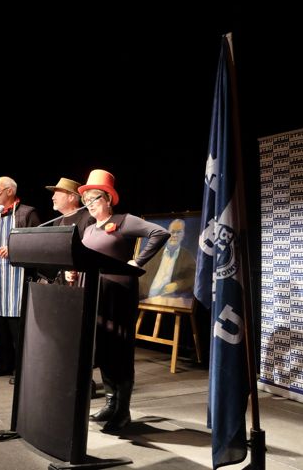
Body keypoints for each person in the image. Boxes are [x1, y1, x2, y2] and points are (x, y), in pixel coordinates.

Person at [78, 169, 169, 432]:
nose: (89, 204)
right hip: (96, 293)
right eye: (86, 200)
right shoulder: (90, 227)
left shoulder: (123, 220)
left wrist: (138, 261)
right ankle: (110, 402)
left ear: (107, 198)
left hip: (118, 293)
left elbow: (159, 233)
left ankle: (123, 410)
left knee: (119, 349)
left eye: (93, 198)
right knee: (104, 349)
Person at [0, 176, 41, 383]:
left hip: (18, 277)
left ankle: (22, 369)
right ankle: (4, 364)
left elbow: (37, 242)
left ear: (10, 191)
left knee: (17, 327)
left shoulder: (28, 213)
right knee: (0, 325)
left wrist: (15, 248)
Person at [44, 177, 95, 284]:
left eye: (57, 193)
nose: (53, 197)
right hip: (59, 282)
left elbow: (90, 253)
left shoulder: (88, 218)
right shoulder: (57, 222)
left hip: (79, 282)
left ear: (71, 197)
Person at [138, 218, 197, 299]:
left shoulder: (187, 257)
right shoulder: (153, 253)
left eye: (179, 232)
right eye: (172, 232)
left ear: (183, 235)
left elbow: (194, 278)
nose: (175, 235)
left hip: (169, 301)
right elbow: (141, 276)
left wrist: (177, 285)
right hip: (146, 299)